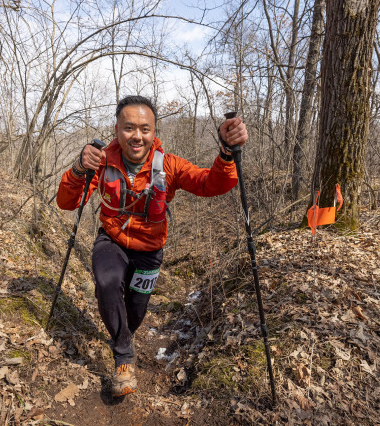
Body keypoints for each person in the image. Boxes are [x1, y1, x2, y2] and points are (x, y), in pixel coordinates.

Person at [57, 95, 248, 397]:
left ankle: (124, 336)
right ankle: (123, 358)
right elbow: (67, 203)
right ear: (117, 129)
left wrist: (226, 153)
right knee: (107, 284)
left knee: (136, 310)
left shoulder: (168, 165)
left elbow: (211, 184)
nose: (137, 136)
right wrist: (80, 168)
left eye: (145, 129)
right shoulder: (102, 160)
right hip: (112, 240)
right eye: (129, 128)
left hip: (150, 249)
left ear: (154, 131)